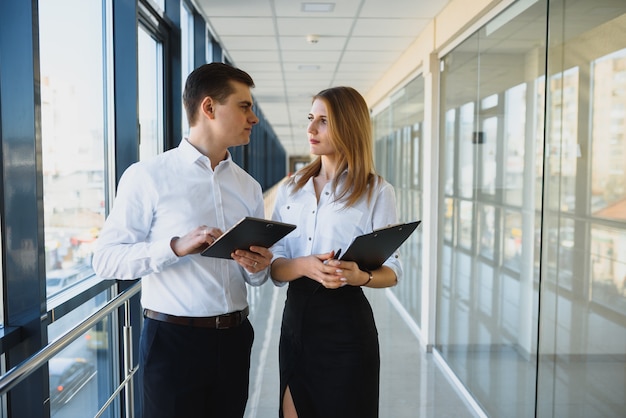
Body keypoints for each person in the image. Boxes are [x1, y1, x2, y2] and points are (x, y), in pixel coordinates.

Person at [92, 62, 273, 418]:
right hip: (173, 342)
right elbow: (105, 260)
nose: (253, 118)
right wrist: (175, 247)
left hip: (235, 337)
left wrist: (258, 267)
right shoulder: (147, 176)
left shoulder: (248, 186)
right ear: (208, 108)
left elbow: (257, 276)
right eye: (244, 106)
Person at [270, 86, 402, 418]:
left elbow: (393, 270)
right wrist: (303, 266)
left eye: (323, 121)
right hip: (297, 324)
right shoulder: (291, 189)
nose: (311, 129)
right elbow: (273, 267)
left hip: (347, 329)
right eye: (311, 119)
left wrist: (360, 275)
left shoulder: (376, 191)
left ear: (349, 126)